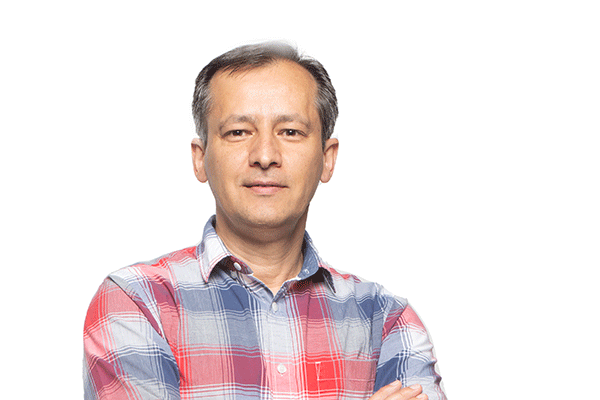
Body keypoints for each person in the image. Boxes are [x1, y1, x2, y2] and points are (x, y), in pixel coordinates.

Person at [83, 42, 446, 400]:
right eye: (238, 132)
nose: (265, 155)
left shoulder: (386, 319)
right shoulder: (137, 300)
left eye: (290, 132)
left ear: (327, 158)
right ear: (200, 158)